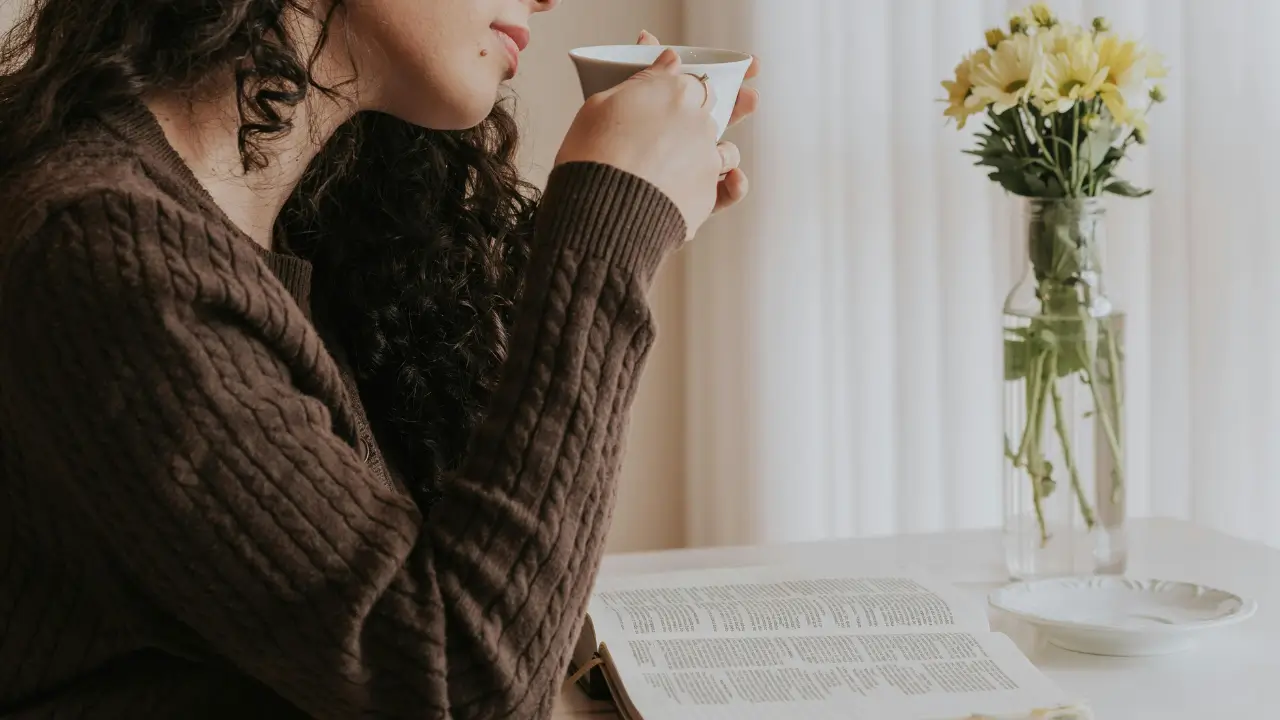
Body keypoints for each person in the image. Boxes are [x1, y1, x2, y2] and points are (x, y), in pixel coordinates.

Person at [0, 0, 760, 714]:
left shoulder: (307, 233)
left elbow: (473, 582)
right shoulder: (106, 253)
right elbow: (459, 683)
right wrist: (604, 244)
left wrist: (615, 229)